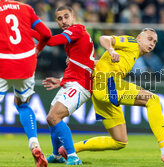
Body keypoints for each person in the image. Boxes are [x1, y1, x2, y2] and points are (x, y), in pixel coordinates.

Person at [56, 28, 164, 163]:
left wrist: (81, 63)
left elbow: (101, 64)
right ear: (139, 38)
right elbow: (104, 38)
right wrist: (111, 50)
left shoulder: (132, 55)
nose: (152, 43)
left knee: (119, 141)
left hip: (99, 92)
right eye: (149, 39)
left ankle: (69, 149)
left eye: (155, 42)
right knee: (153, 100)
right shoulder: (132, 42)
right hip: (107, 83)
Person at [37, 6, 95, 165]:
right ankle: (56, 155)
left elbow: (52, 41)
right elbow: (79, 64)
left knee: (53, 117)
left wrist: (33, 28)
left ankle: (73, 156)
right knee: (51, 119)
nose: (63, 21)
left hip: (81, 84)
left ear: (73, 17)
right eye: (59, 18)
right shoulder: (74, 39)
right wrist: (61, 80)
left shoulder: (77, 29)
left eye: (66, 17)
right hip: (72, 82)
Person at [0, 0, 51, 167]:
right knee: (22, 105)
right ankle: (35, 144)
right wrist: (39, 48)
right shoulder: (26, 9)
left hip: (3, 63)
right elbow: (46, 33)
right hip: (26, 63)